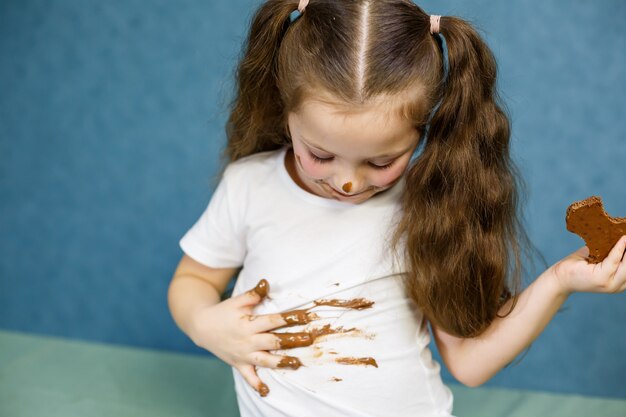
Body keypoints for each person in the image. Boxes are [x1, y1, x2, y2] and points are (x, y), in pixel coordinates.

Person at [167, 1, 626, 416]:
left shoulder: (428, 206)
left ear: (421, 133)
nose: (348, 181)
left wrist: (561, 281)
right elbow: (192, 281)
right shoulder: (250, 185)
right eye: (321, 154)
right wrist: (205, 325)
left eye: (381, 161)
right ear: (286, 109)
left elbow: (468, 364)